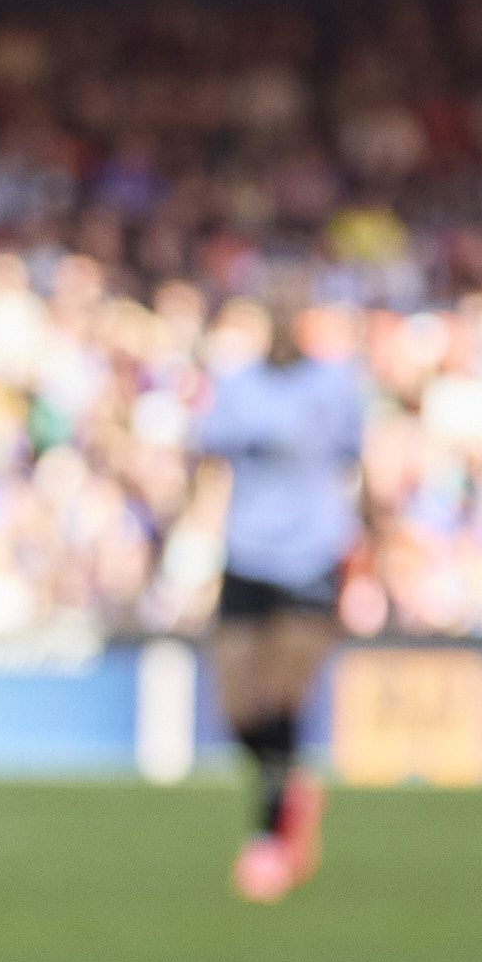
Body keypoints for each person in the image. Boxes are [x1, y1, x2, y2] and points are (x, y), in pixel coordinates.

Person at [193, 291, 370, 903]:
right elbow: (208, 457)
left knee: (284, 694)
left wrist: (371, 552)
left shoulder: (338, 385)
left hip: (314, 556)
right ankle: (295, 787)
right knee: (239, 709)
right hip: (246, 552)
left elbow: (359, 467)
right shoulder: (236, 386)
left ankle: (269, 838)